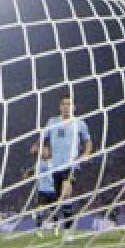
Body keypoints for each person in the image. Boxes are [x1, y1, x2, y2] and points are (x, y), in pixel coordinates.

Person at [42, 95, 92, 238]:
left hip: (71, 165)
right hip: (55, 166)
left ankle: (68, 230)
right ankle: (68, 225)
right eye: (63, 104)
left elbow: (88, 141)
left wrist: (86, 153)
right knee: (61, 199)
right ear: (60, 107)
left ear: (74, 107)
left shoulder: (79, 123)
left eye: (69, 104)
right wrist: (41, 148)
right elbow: (43, 139)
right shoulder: (52, 122)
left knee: (65, 194)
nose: (66, 107)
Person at [23, 144, 59, 235]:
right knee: (40, 210)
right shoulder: (39, 162)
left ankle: (56, 227)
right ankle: (38, 229)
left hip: (53, 190)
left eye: (46, 150)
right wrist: (28, 173)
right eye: (43, 150)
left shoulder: (54, 161)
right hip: (42, 190)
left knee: (54, 211)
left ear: (50, 152)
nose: (44, 152)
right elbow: (34, 170)